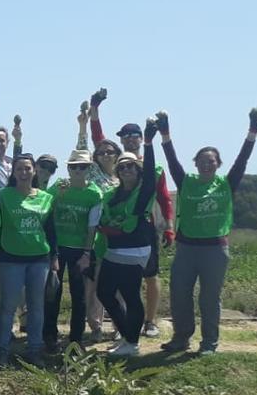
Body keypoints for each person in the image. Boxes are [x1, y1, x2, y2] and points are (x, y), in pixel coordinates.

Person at [159, 107, 257, 355]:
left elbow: (243, 159)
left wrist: (253, 131)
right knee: (180, 294)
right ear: (195, 163)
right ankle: (181, 338)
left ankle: (209, 343)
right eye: (202, 161)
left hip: (215, 250)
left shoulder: (227, 183)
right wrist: (165, 134)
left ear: (218, 164)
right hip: (186, 249)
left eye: (212, 161)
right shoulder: (186, 182)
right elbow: (172, 161)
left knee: (209, 299)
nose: (207, 164)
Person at [89, 92, 176, 337]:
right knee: (122, 281)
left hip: (145, 227)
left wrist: (169, 225)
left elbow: (164, 197)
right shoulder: (117, 161)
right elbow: (99, 141)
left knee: (150, 275)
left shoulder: (152, 165)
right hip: (118, 229)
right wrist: (95, 110)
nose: (129, 139)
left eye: (134, 135)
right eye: (124, 136)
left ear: (140, 138)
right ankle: (124, 325)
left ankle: (150, 321)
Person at [0, 154, 57, 365]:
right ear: (13, 172)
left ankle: (35, 350)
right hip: (10, 259)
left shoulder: (46, 198)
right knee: (8, 307)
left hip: (39, 259)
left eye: (27, 169)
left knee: (36, 307)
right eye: (19, 169)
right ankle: (1, 350)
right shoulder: (4, 195)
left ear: (34, 171)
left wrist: (54, 258)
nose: (23, 173)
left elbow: (50, 230)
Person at [96, 124, 159, 358]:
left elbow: (152, 175)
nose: (126, 170)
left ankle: (132, 343)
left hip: (135, 250)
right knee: (104, 292)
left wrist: (150, 144)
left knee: (131, 294)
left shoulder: (143, 191)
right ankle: (128, 336)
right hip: (114, 250)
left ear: (138, 168)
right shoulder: (113, 194)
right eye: (122, 167)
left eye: (131, 166)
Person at [43, 150, 104, 350]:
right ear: (68, 168)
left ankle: (76, 339)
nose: (78, 170)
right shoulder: (59, 187)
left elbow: (92, 226)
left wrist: (87, 253)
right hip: (58, 248)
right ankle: (49, 335)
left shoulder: (94, 193)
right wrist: (56, 196)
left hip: (80, 250)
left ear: (90, 168)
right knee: (53, 292)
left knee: (79, 296)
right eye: (74, 166)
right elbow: (44, 208)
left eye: (83, 166)